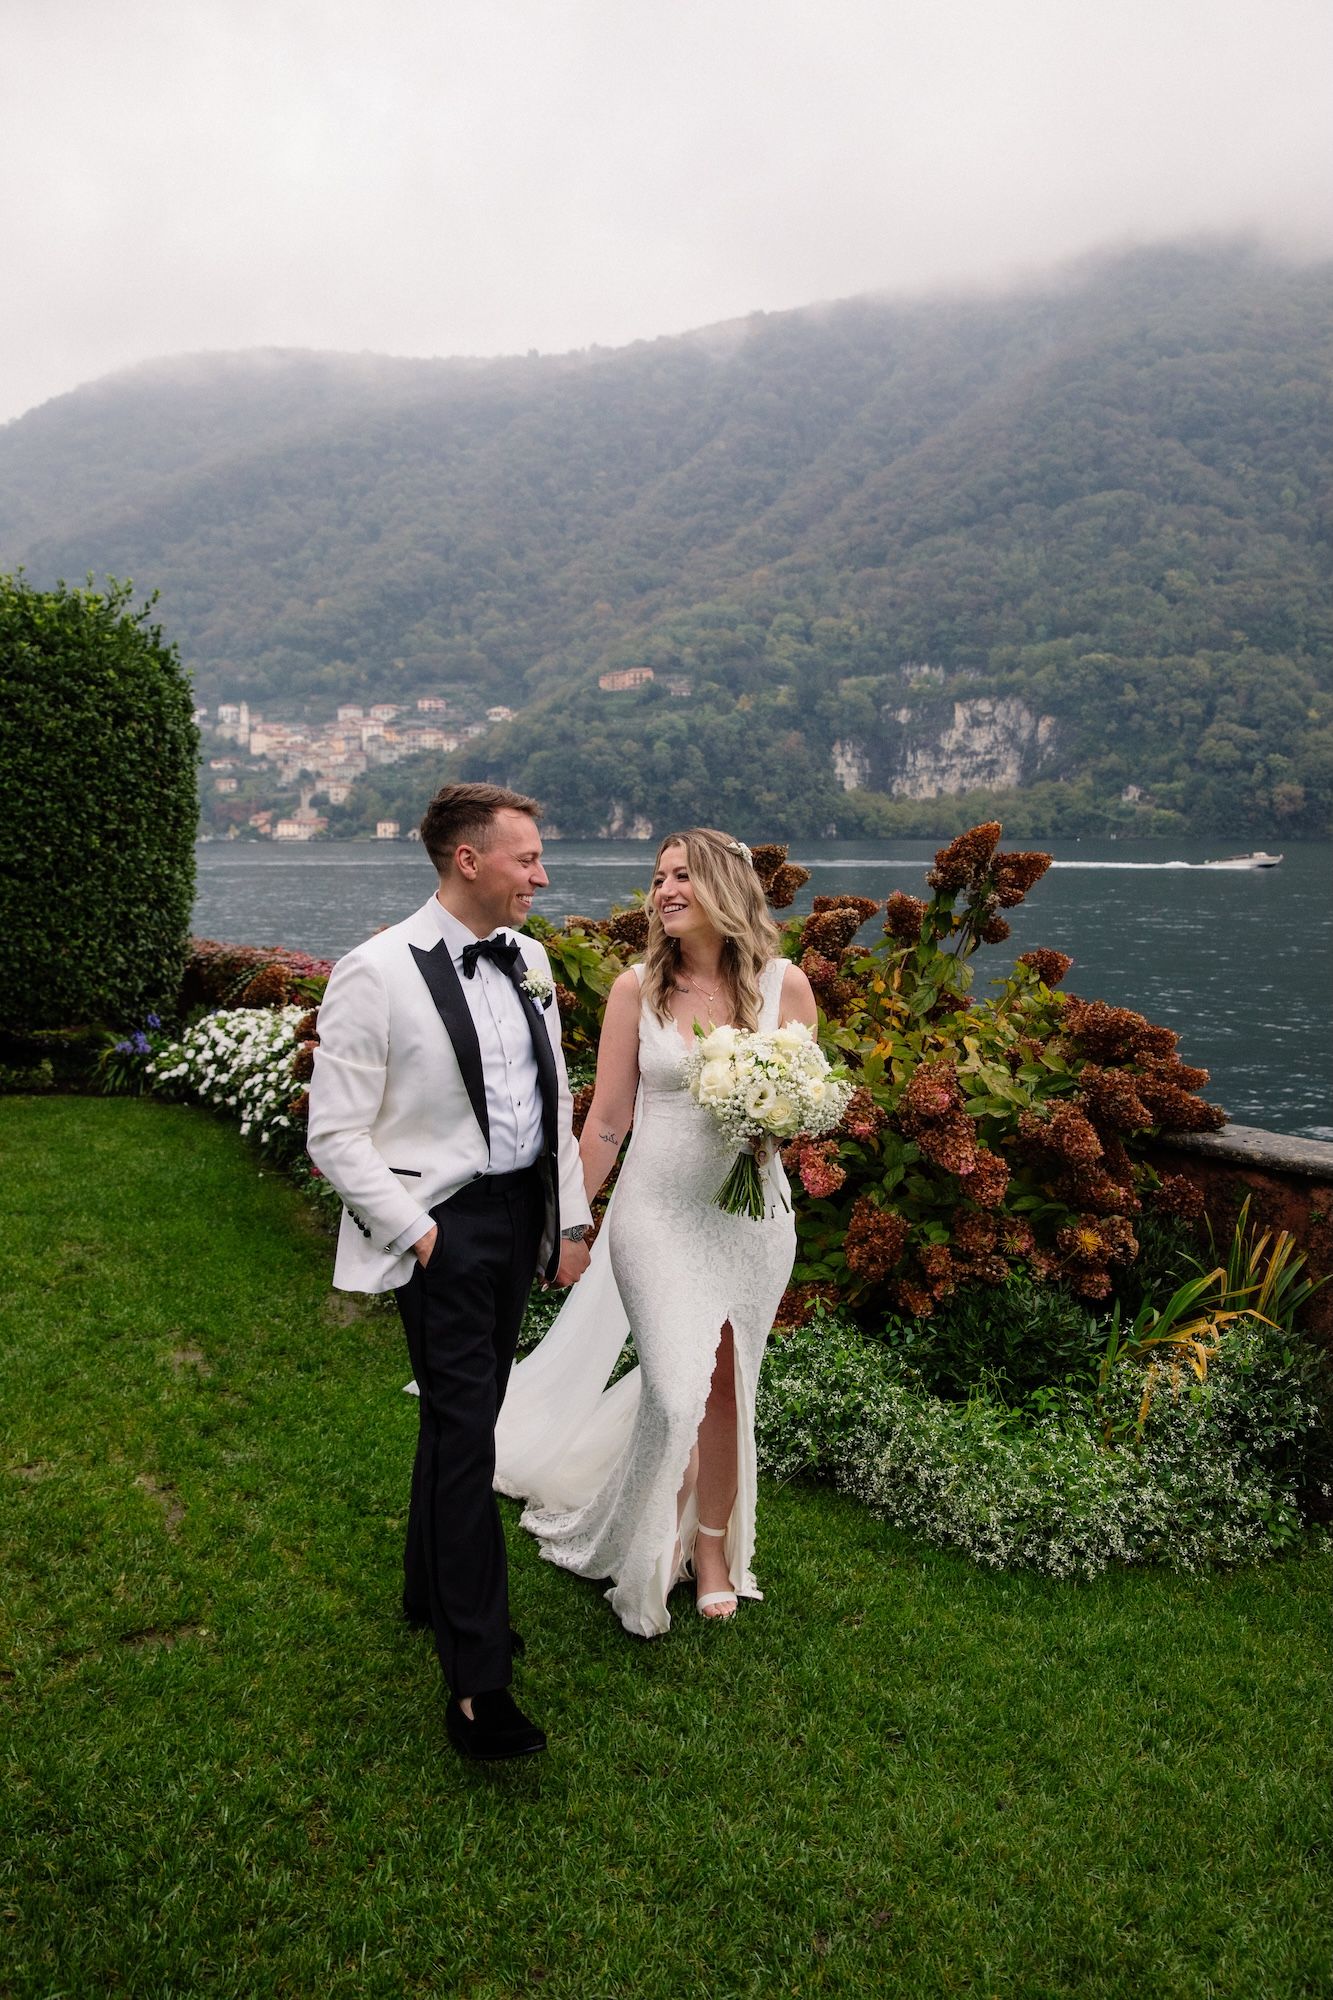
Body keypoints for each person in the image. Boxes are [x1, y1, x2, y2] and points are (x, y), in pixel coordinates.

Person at [306, 783, 591, 1762]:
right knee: (469, 1433)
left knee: (461, 1410)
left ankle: (428, 1588)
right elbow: (334, 1134)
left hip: (521, 1217)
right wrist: (419, 1233)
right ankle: (477, 1683)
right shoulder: (374, 971)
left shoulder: (534, 961)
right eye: (527, 856)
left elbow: (553, 1105)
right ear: (467, 859)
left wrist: (571, 1217)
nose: (542, 875)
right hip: (442, 1227)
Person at [494, 827, 817, 1635]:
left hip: (750, 1218)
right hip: (656, 1217)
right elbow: (607, 1120)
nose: (664, 890)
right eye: (659, 876)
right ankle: (628, 1546)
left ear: (725, 888)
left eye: (682, 875)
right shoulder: (635, 989)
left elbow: (804, 1105)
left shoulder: (786, 987)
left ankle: (710, 1550)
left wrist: (774, 1120)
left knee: (727, 1385)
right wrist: (567, 1218)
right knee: (675, 1394)